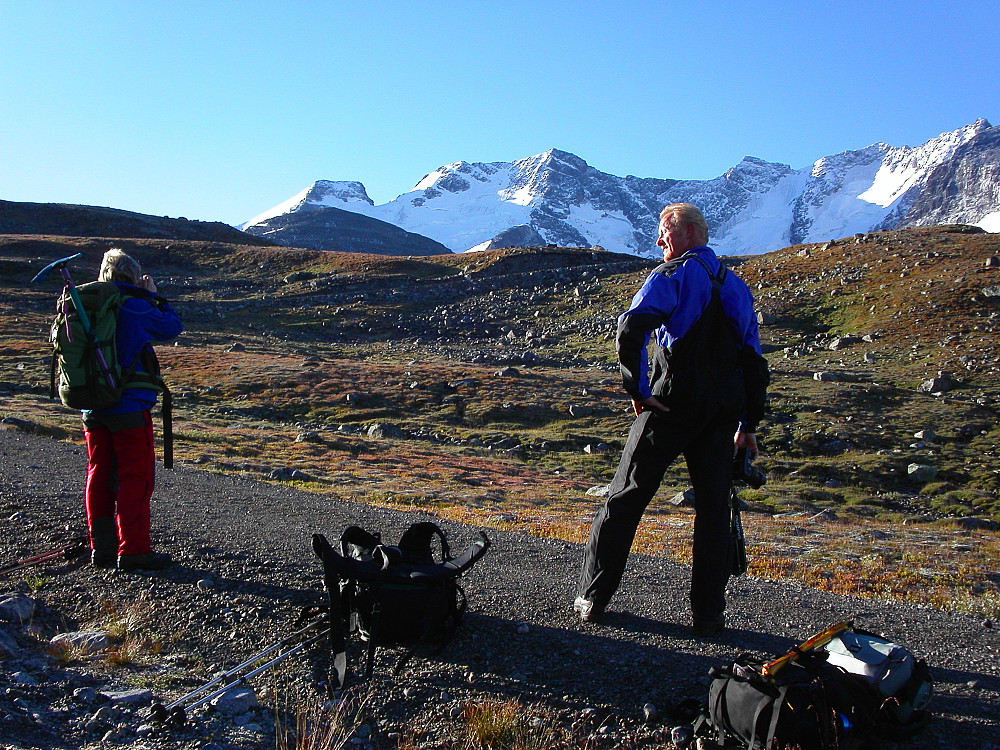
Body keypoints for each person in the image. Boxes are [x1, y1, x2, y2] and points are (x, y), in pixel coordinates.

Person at [575, 203, 769, 635]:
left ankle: (593, 597)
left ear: (685, 232)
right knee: (714, 511)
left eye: (664, 233)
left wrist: (638, 389)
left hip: (671, 404)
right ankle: (708, 616)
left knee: (624, 498)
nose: (660, 242)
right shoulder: (736, 286)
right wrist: (748, 425)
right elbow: (754, 362)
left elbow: (632, 327)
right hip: (721, 414)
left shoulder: (674, 276)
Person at [84, 249, 183, 571]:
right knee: (134, 476)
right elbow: (171, 327)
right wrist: (152, 295)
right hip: (128, 407)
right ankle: (133, 550)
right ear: (133, 276)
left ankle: (101, 548)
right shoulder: (134, 305)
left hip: (92, 406)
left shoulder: (87, 306)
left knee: (99, 474)